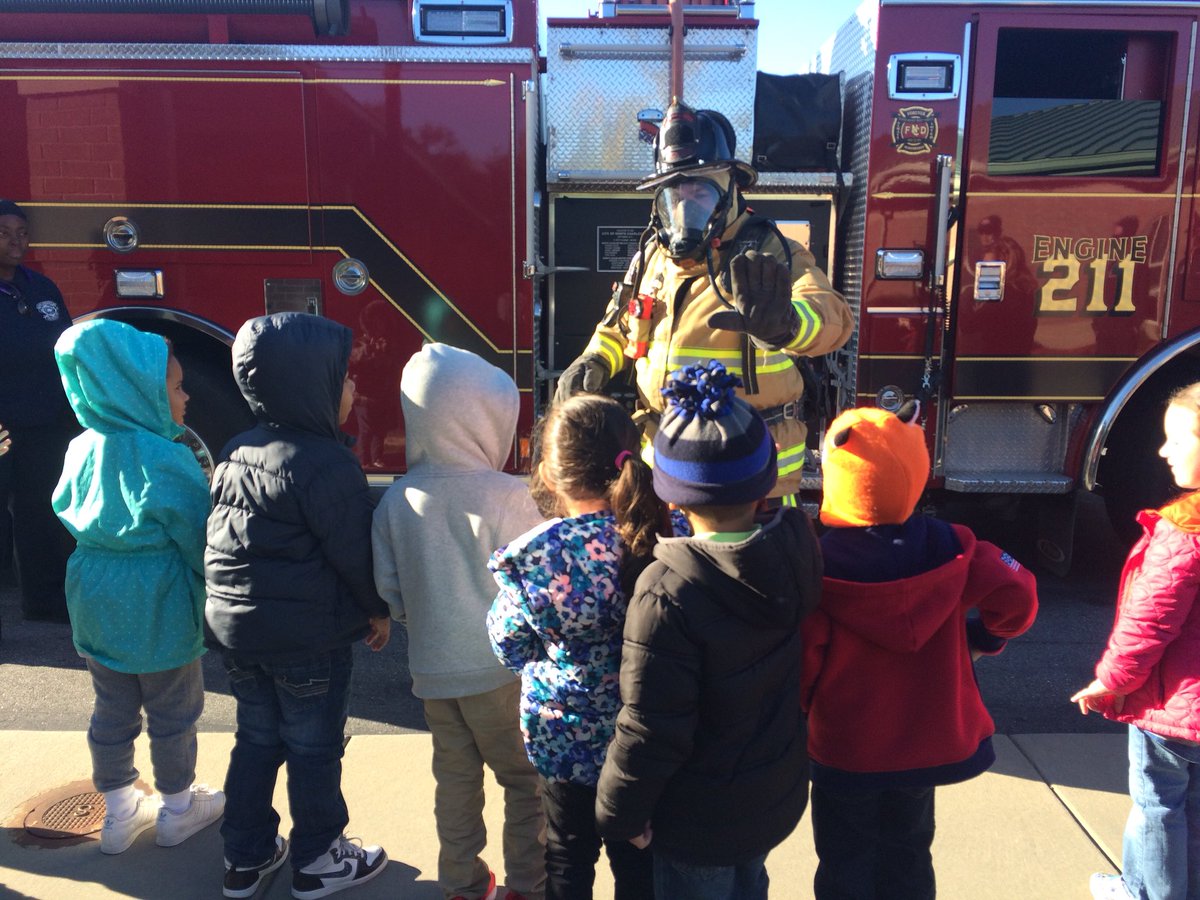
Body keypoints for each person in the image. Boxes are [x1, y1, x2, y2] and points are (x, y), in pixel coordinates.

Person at [595, 360, 822, 900]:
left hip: (696, 820)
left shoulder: (664, 590)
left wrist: (617, 811)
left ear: (672, 496)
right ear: (765, 481)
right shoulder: (796, 550)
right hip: (767, 799)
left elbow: (651, 727)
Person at [554, 101, 854, 502]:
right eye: (673, 192)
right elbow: (620, 326)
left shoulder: (770, 253)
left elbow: (834, 319)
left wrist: (787, 324)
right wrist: (594, 360)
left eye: (699, 191)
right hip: (662, 470)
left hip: (751, 479)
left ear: (732, 188)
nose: (684, 205)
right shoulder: (652, 259)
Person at [801, 403, 1039, 900]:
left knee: (844, 857)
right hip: (925, 741)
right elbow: (1018, 591)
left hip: (847, 749)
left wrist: (797, 715)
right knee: (909, 851)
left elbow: (806, 661)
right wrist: (984, 638)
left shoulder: (818, 567)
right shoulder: (955, 546)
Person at [205, 312, 391, 900]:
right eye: (345, 378)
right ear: (311, 385)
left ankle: (245, 856)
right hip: (308, 639)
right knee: (314, 747)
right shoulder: (325, 463)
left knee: (257, 740)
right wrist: (377, 610)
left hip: (237, 632)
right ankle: (318, 859)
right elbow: (354, 552)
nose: (354, 388)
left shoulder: (236, 448)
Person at [371, 342, 547, 900]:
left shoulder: (396, 501)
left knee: (455, 781)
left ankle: (462, 883)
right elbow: (536, 589)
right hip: (502, 677)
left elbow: (390, 591)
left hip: (432, 673)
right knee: (525, 783)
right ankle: (526, 883)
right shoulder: (507, 495)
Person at [51, 319, 225, 854]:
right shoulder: (166, 456)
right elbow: (199, 538)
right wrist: (216, 595)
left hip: (94, 597)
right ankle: (177, 807)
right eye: (175, 387)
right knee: (174, 710)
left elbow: (63, 506)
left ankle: (119, 813)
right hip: (159, 601)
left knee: (111, 707)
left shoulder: (81, 447)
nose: (187, 396)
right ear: (138, 392)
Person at [488, 393, 665, 900]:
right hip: (636, 741)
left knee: (566, 854)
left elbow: (508, 644)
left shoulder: (536, 558)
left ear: (549, 474)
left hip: (559, 739)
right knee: (637, 857)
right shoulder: (650, 537)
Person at [1072, 380, 1200, 900]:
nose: (1162, 450)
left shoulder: (1183, 533)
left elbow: (1147, 627)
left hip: (1172, 709)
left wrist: (1110, 682)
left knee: (1158, 804)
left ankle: (1145, 891)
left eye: (1178, 439)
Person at [0, 198, 77, 624]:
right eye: (5, 233)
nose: (16, 241)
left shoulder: (41, 288)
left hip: (47, 423)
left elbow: (68, 348)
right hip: (3, 428)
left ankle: (44, 601)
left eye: (22, 233)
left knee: (42, 512)